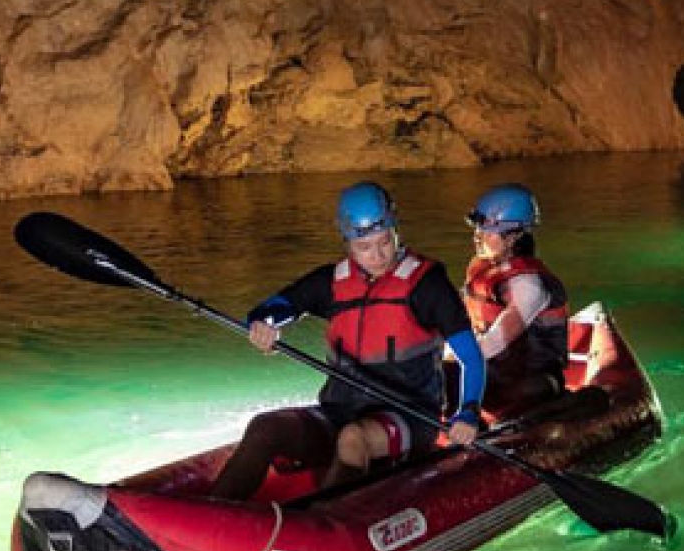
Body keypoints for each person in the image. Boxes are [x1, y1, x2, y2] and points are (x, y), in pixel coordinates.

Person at [208, 182, 485, 501]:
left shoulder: (427, 285)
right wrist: (265, 325)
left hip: (409, 415)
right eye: (365, 247)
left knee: (354, 438)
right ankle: (210, 517)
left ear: (395, 229)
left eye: (385, 242)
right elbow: (275, 307)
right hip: (340, 409)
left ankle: (321, 525)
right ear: (348, 244)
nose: (378, 255)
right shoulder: (333, 282)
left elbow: (470, 356)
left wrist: (468, 411)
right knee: (265, 427)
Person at [460, 184, 570, 418]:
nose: (477, 236)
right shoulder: (486, 271)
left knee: (448, 377)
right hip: (499, 370)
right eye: (478, 228)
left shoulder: (527, 285)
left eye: (487, 230)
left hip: (532, 378)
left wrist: (448, 363)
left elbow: (494, 343)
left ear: (512, 237)